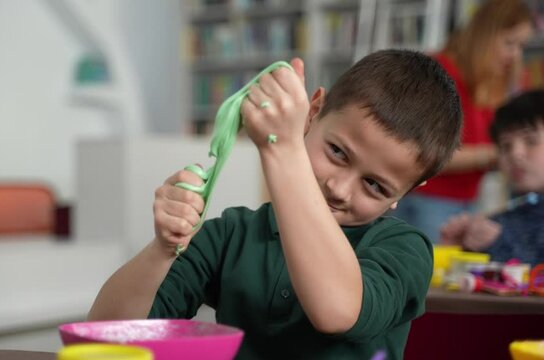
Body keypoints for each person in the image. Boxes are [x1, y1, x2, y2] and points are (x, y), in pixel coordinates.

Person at [87, 49, 462, 360]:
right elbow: (106, 338)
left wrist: (284, 149)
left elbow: (338, 310)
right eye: (337, 152)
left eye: (375, 186)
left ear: (406, 193)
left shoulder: (405, 251)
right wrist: (162, 249)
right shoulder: (230, 234)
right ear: (312, 112)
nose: (340, 189)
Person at [392, 0, 533, 242]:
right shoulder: (440, 73)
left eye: (521, 46)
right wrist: (491, 155)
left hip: (468, 201)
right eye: (509, 43)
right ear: (484, 36)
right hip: (428, 200)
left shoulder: (496, 83)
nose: (515, 54)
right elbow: (420, 152)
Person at [441, 90, 544, 267]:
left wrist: (498, 245)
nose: (515, 154)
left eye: (531, 141)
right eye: (506, 146)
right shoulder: (500, 221)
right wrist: (462, 249)